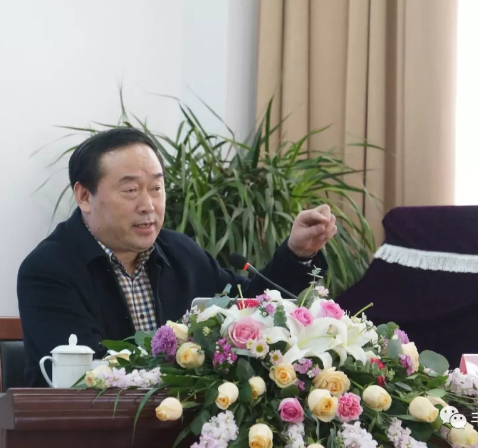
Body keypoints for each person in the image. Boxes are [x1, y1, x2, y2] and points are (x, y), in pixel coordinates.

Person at [17, 127, 338, 387]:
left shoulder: (180, 252)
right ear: (85, 196)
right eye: (130, 190)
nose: (148, 205)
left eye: (156, 188)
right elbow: (85, 375)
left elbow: (250, 306)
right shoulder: (48, 270)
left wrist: (297, 253)